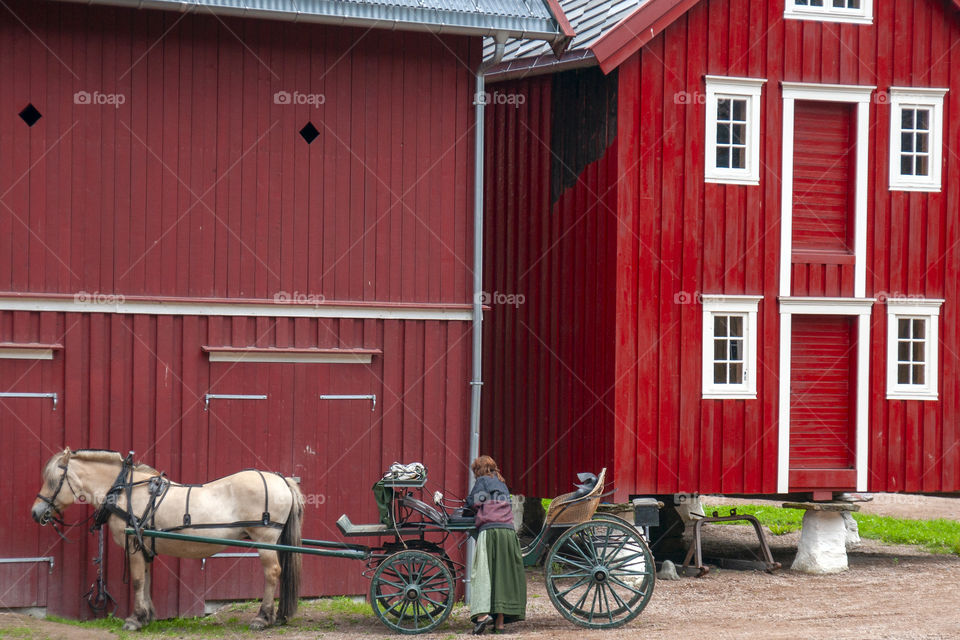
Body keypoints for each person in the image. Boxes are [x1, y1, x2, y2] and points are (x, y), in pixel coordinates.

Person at [467, 456, 525, 635]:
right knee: (501, 576)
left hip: (491, 532)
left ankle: (483, 616)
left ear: (479, 470)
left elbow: (473, 502)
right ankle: (499, 623)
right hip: (508, 532)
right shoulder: (501, 483)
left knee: (484, 573)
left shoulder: (483, 481)